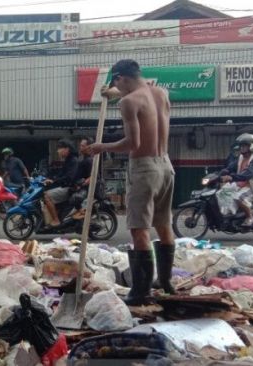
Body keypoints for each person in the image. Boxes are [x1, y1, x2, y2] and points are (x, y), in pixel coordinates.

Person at [84, 59, 176, 305]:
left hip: (144, 168)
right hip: (166, 165)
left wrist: (101, 147)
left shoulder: (128, 102)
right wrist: (112, 91)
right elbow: (136, 90)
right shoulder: (160, 92)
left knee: (139, 229)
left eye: (117, 83)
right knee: (164, 225)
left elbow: (132, 144)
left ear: (121, 78)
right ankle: (166, 282)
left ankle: (140, 293)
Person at [219, 133, 253, 227]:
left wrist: (231, 177)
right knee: (222, 192)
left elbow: (249, 174)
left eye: (245, 145)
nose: (241, 148)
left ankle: (250, 216)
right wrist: (222, 172)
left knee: (237, 197)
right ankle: (232, 214)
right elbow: (231, 167)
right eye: (241, 145)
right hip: (241, 184)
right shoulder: (241, 157)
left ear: (252, 146)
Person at [42, 139, 78, 227]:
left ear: (66, 149)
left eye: (59, 149)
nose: (58, 151)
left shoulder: (73, 160)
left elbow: (69, 177)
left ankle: (56, 220)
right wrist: (50, 178)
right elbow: (61, 174)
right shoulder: (68, 160)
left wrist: (54, 181)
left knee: (47, 196)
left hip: (69, 188)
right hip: (65, 186)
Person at [70, 136, 95, 220]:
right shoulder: (84, 159)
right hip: (79, 185)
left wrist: (83, 183)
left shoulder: (89, 160)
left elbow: (93, 176)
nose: (80, 147)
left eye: (82, 146)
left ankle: (81, 211)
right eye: (80, 145)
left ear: (89, 147)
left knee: (74, 198)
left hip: (84, 188)